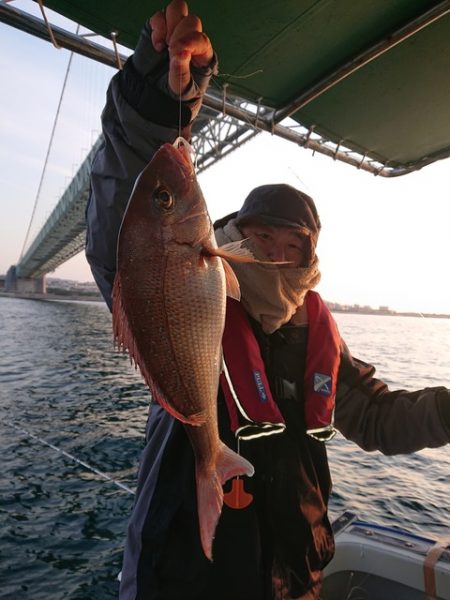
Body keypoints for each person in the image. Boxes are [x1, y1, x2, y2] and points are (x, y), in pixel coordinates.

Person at [85, 2, 450, 598]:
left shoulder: (317, 334)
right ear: (232, 235)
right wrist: (157, 103)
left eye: (292, 246)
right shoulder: (194, 280)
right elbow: (124, 233)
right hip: (182, 580)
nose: (278, 258)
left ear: (310, 259)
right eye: (261, 239)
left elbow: (381, 418)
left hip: (296, 579)